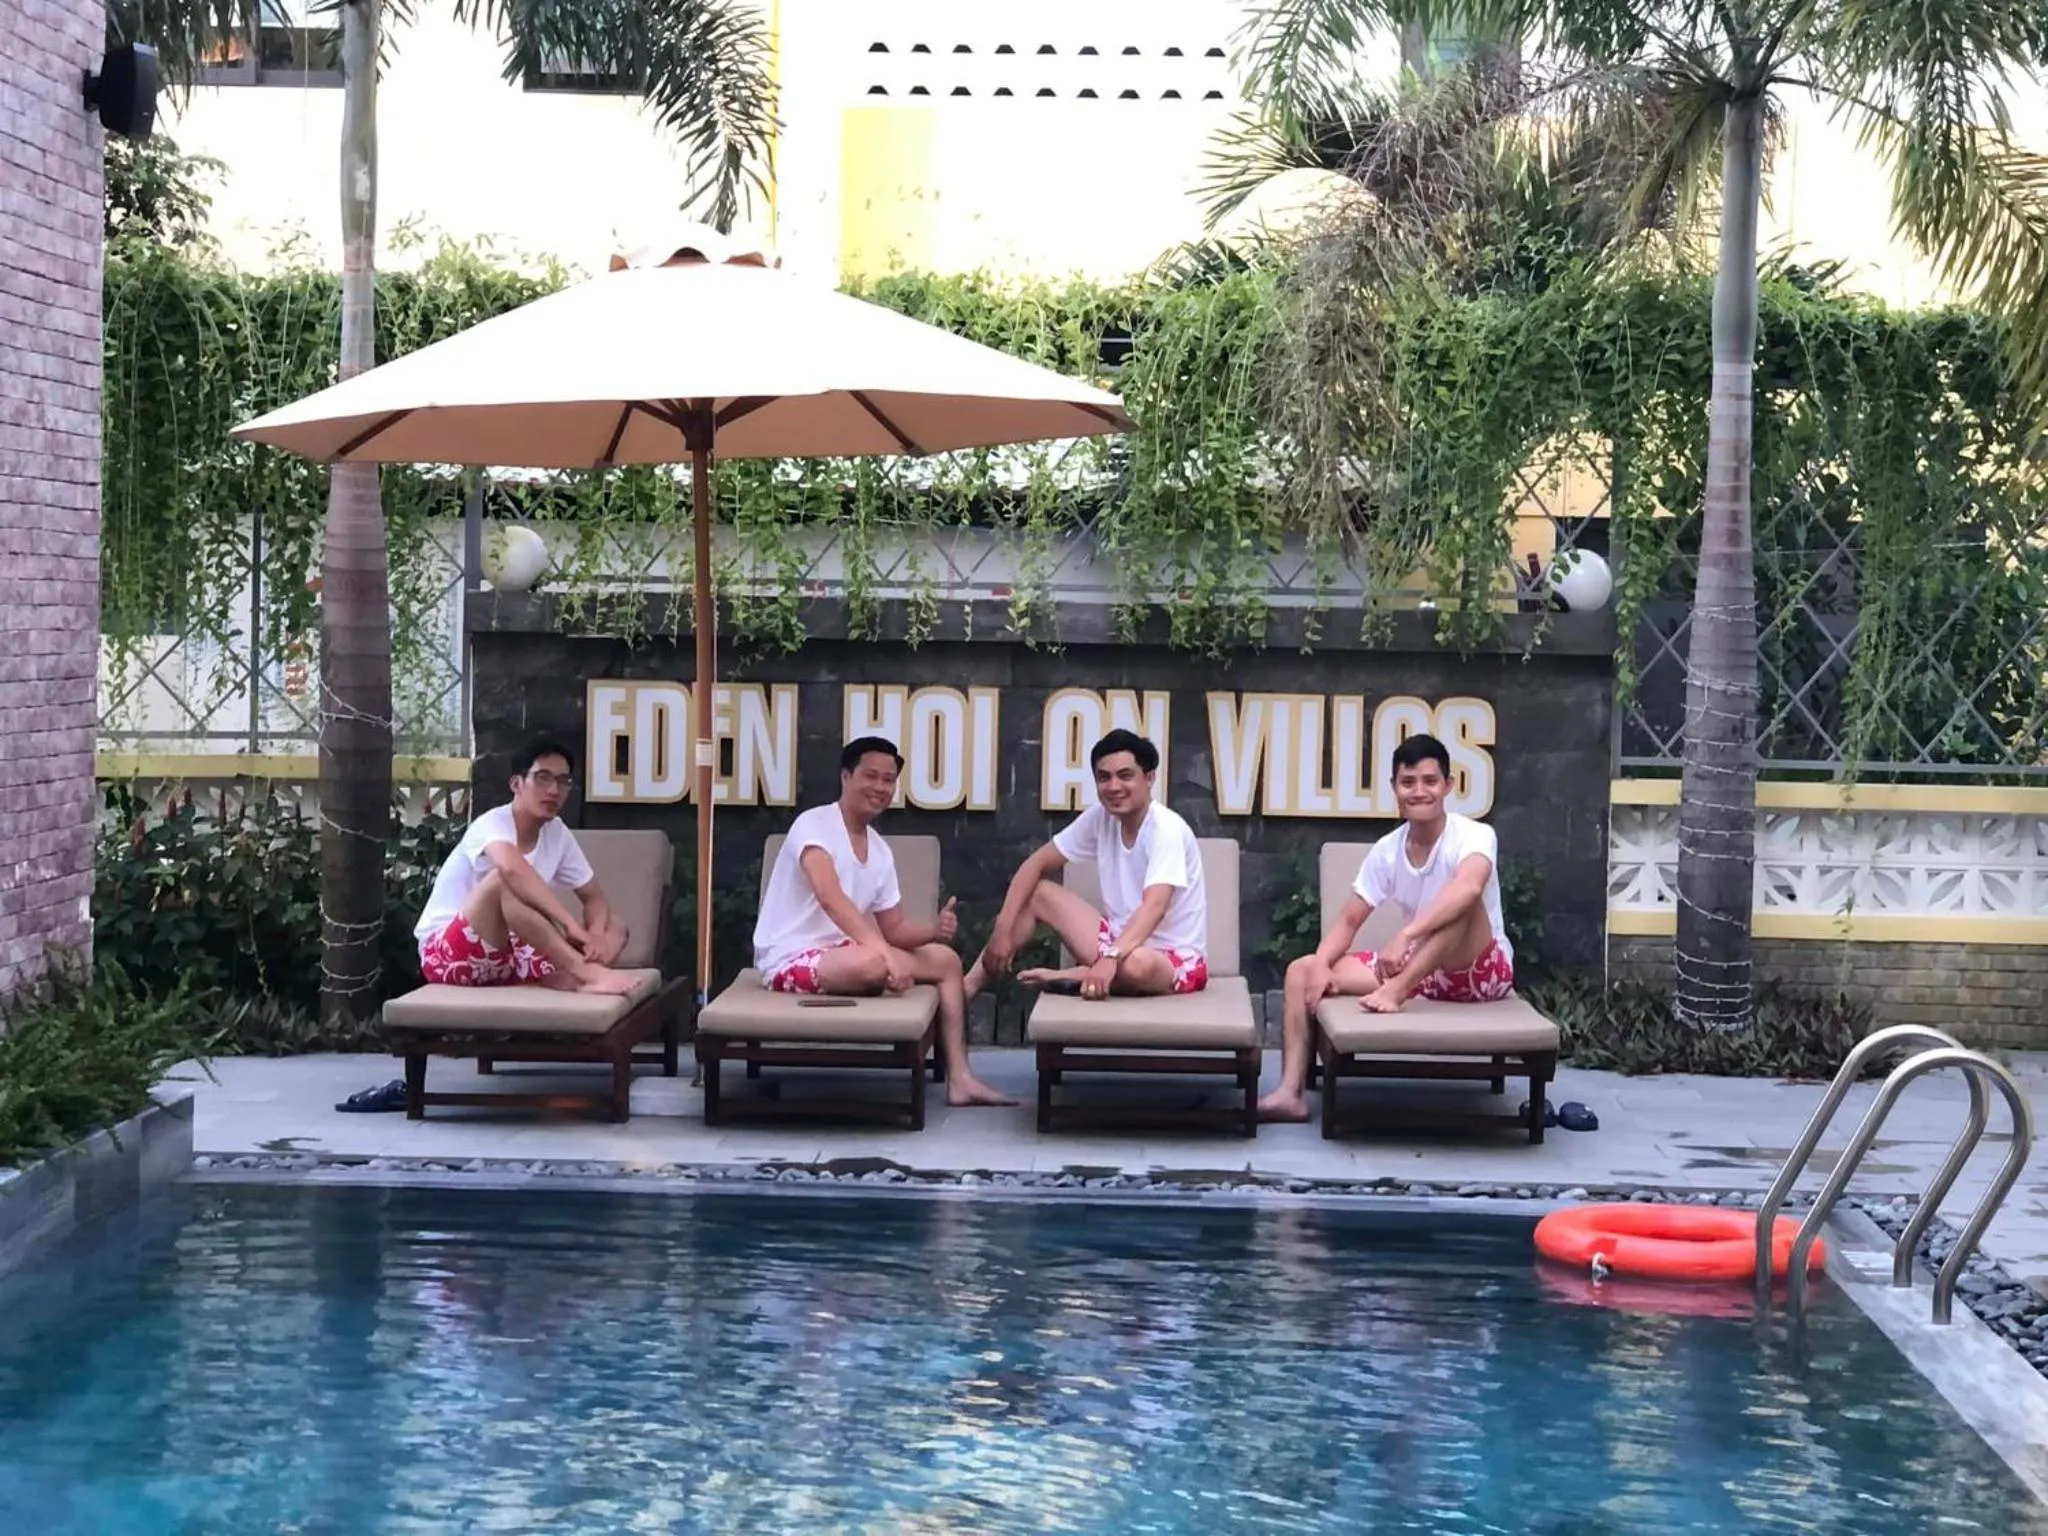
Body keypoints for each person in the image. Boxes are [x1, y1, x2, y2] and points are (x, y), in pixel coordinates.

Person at [1258, 732, 1514, 1122]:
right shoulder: (1388, 850)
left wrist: (1406, 935)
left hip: (1479, 969)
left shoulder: (1475, 835)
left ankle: (1396, 989)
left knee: (1464, 904)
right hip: (1424, 967)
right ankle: (1290, 1093)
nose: (1419, 792)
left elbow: (1469, 887)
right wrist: (1322, 966)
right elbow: (1349, 920)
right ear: (1394, 788)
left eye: (1430, 781)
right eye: (1408, 783)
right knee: (1301, 970)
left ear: (1449, 786)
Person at [753, 735, 1016, 1109]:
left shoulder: (878, 849)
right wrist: (884, 956)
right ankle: (878, 975)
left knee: (946, 961)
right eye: (870, 776)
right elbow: (832, 899)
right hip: (791, 958)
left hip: (847, 952)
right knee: (874, 963)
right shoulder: (813, 825)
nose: (880, 787)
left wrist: (933, 931)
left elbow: (894, 930)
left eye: (888, 779)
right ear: (846, 777)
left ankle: (961, 1078)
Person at [964, 728, 1208, 1004]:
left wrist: (1112, 957)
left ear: (1149, 778)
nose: (1114, 786)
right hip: (1116, 944)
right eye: (1104, 777)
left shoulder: (1167, 828)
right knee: (1040, 892)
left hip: (1171, 962)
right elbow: (1036, 863)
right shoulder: (1100, 818)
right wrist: (1001, 931)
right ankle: (966, 988)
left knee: (1138, 964)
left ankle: (1079, 975)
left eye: (1125, 775)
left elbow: (1154, 908)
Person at [411, 737, 641, 995]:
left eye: (563, 781)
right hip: (448, 955)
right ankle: (585, 973)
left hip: (513, 953)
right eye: (543, 778)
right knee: (502, 882)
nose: (554, 790)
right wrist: (570, 926)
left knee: (616, 926)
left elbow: (594, 898)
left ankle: (566, 974)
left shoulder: (557, 833)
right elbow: (511, 870)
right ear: (516, 784)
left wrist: (596, 936)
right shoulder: (491, 825)